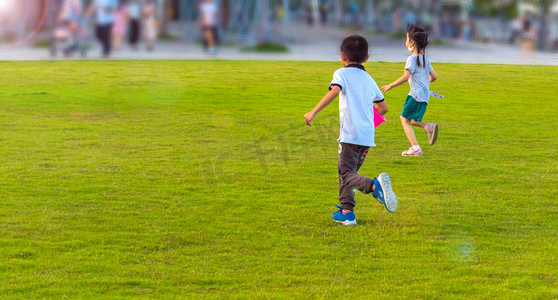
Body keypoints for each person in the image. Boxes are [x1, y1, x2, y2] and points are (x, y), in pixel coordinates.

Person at [304, 35, 398, 226]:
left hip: (350, 135)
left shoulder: (342, 73)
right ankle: (347, 212)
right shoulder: (369, 79)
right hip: (366, 137)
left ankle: (374, 185)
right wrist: (369, 116)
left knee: (346, 174)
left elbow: (335, 91)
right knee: (348, 174)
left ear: (342, 56)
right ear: (367, 58)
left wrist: (313, 112)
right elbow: (383, 108)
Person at [381, 25, 439, 157]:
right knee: (411, 119)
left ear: (412, 43)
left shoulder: (411, 59)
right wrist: (425, 84)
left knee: (404, 119)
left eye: (407, 39)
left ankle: (416, 148)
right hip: (424, 97)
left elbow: (405, 77)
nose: (406, 42)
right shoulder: (425, 59)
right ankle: (428, 127)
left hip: (415, 95)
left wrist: (390, 85)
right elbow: (434, 76)